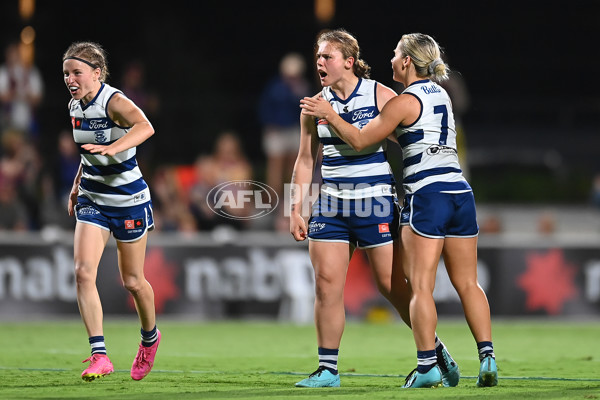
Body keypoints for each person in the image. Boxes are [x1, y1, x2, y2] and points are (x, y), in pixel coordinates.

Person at [300, 33, 497, 388]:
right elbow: (305, 159)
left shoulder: (386, 96)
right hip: (337, 201)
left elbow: (380, 136)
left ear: (348, 60)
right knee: (327, 284)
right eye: (317, 56)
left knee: (401, 285)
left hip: (389, 197)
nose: (319, 61)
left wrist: (333, 117)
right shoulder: (316, 104)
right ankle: (328, 369)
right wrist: (296, 208)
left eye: (326, 55)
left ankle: (431, 356)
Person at [62, 42, 160, 382]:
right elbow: (87, 152)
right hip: (93, 198)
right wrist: (76, 186)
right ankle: (99, 355)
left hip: (127, 200)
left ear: (97, 73)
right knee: (82, 272)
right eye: (66, 74)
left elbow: (145, 127)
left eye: (76, 72)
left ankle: (150, 339)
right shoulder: (75, 105)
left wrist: (112, 148)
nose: (70, 79)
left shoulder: (113, 100)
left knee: (132, 281)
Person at [259, 52, 312, 229]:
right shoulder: (276, 87)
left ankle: (290, 206)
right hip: (277, 131)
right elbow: (265, 108)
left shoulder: (301, 87)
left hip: (293, 131)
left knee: (293, 170)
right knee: (275, 170)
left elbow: (304, 108)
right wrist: (269, 125)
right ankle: (271, 205)